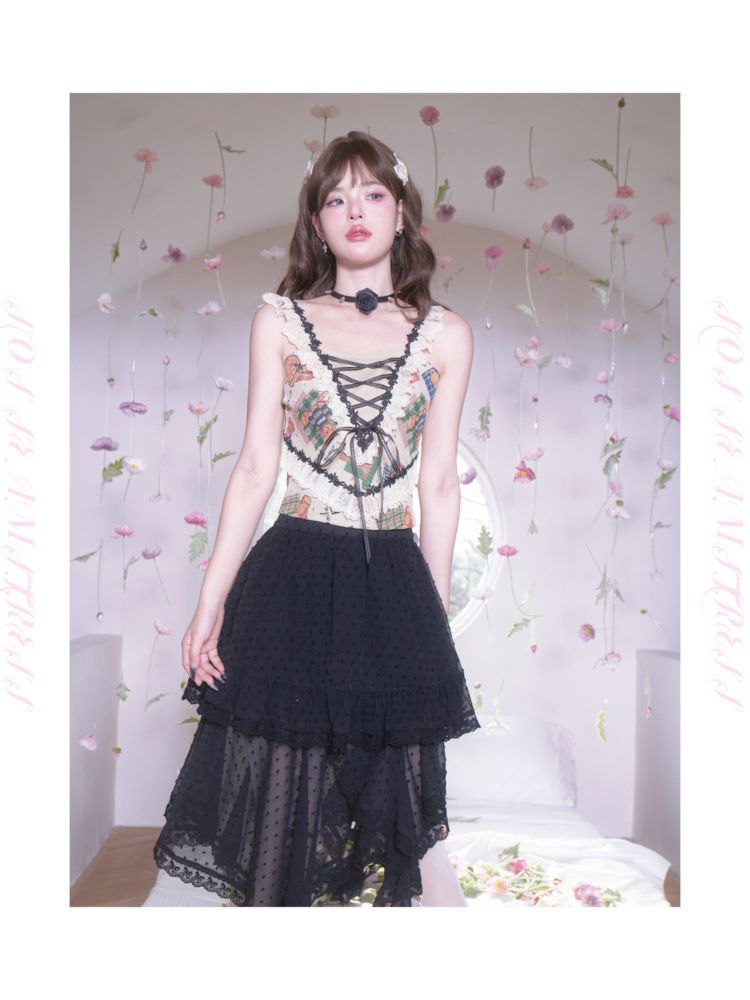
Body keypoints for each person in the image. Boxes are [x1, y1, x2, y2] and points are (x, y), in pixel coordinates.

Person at [143, 130, 480, 908]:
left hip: (394, 580)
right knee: (282, 803)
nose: (355, 211)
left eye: (373, 195)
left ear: (401, 213)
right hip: (291, 573)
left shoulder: (448, 335)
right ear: (318, 222)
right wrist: (208, 603)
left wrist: (430, 615)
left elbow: (438, 482)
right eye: (336, 199)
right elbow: (254, 467)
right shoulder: (280, 321)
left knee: (404, 808)